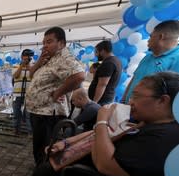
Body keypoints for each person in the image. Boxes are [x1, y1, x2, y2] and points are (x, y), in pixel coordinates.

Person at [0, 72, 179, 176]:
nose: (131, 101)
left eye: (137, 96)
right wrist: (66, 143)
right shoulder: (154, 124)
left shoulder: (161, 138)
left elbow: (105, 163)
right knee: (50, 155)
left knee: (47, 169)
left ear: (163, 101)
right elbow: (102, 134)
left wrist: (101, 120)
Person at [26, 27, 85, 165]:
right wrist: (40, 60)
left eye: (49, 41)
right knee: (39, 147)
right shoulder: (50, 58)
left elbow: (79, 75)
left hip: (48, 113)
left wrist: (59, 92)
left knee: (43, 149)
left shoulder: (64, 57)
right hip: (38, 111)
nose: (45, 45)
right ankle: (39, 175)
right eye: (44, 42)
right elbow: (31, 74)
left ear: (61, 43)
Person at [121, 20, 179, 104]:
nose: (148, 40)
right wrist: (124, 100)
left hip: (151, 114)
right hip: (131, 108)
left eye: (151, 36)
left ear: (161, 37)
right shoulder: (148, 57)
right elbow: (135, 78)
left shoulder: (176, 59)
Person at [88, 40, 122, 105]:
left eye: (97, 52)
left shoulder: (109, 63)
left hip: (101, 101)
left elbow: (102, 84)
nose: (96, 55)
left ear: (103, 51)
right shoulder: (116, 60)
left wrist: (94, 102)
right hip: (106, 98)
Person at [12, 49, 34, 135]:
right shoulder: (16, 66)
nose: (26, 58)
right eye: (25, 56)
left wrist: (28, 66)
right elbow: (15, 75)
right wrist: (22, 65)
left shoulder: (33, 66)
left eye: (28, 57)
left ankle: (30, 132)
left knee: (28, 114)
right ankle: (16, 129)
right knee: (16, 112)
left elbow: (34, 76)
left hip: (29, 94)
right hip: (17, 94)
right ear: (21, 57)